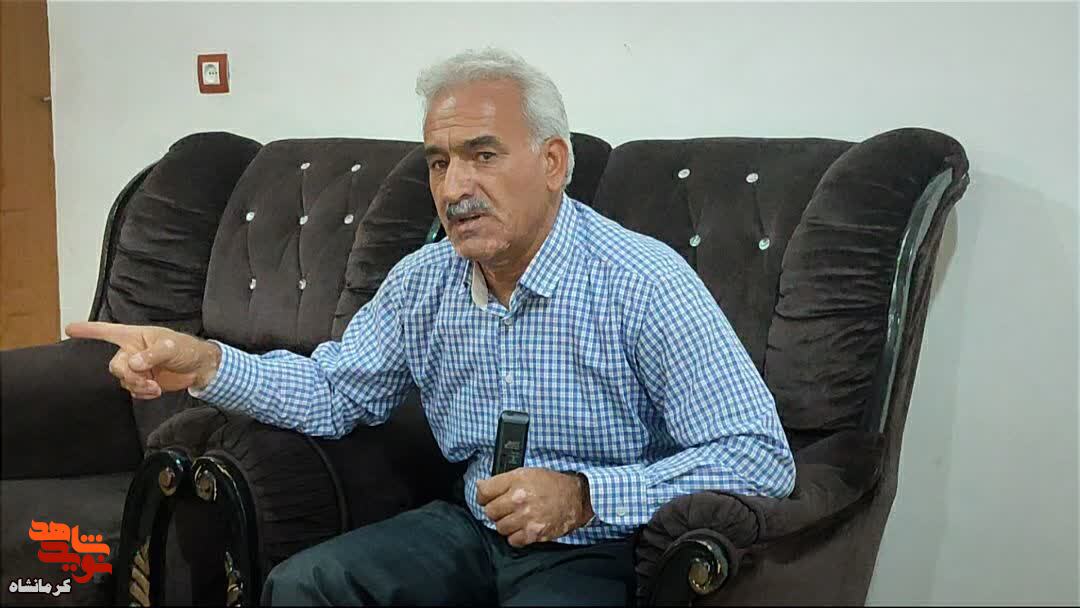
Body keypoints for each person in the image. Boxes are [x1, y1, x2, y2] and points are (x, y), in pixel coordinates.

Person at [67, 47, 796, 606]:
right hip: (469, 526)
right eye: (439, 163)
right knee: (305, 586)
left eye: (483, 155)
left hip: (599, 545)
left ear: (553, 162)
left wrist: (584, 495)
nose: (455, 188)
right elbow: (335, 391)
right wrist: (203, 363)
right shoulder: (425, 280)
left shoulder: (641, 280)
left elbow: (759, 457)